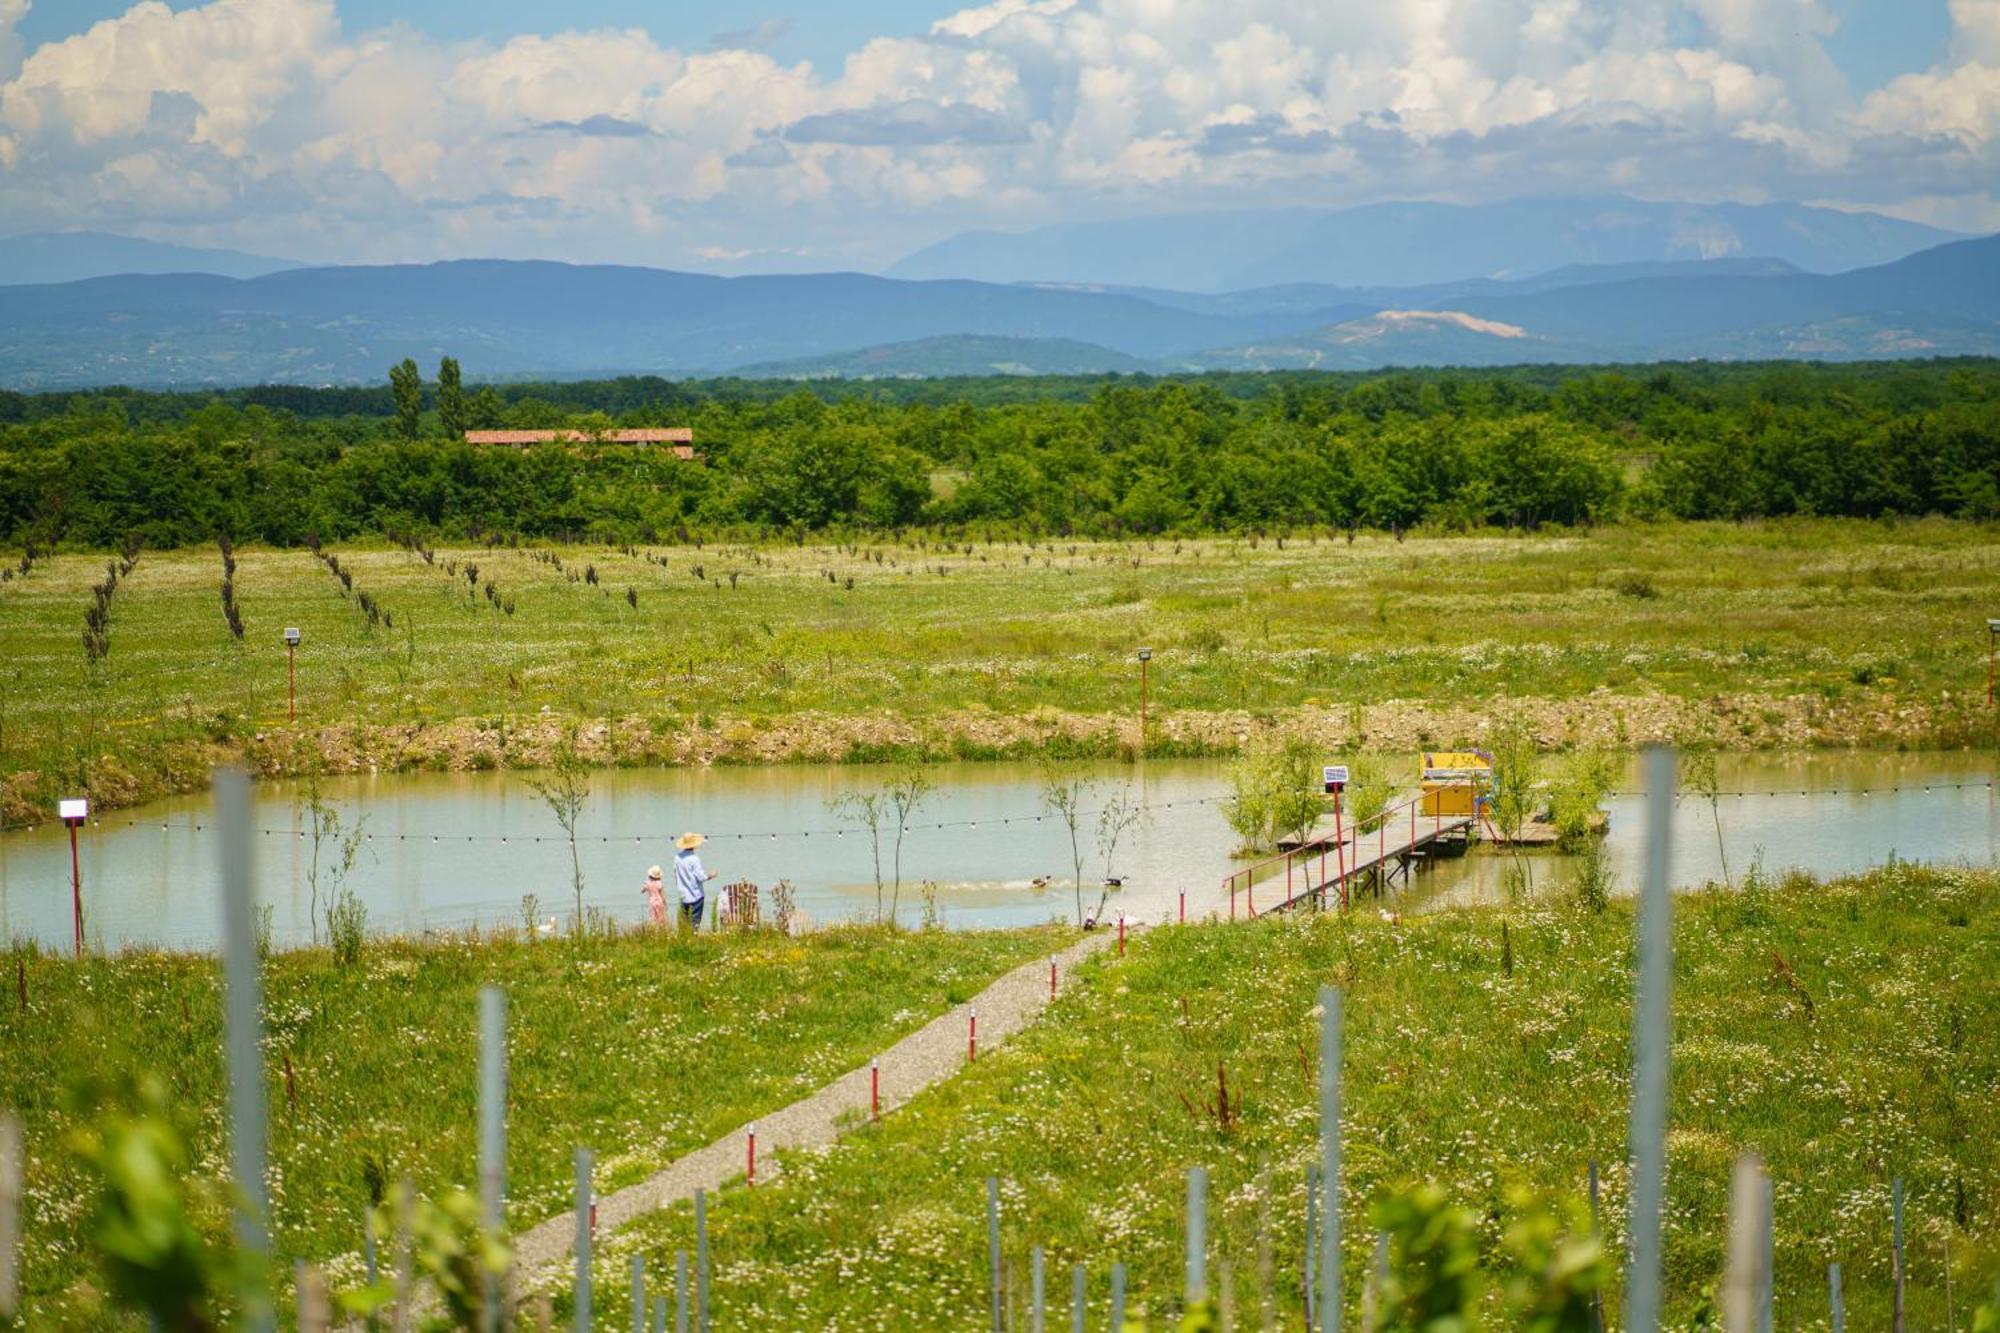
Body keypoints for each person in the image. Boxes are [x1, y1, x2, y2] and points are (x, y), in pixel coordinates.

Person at [674, 833, 716, 928]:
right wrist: (711, 875)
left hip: (683, 895)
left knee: (684, 923)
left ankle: (684, 938)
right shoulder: (694, 858)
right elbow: (701, 877)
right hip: (696, 895)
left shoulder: (677, 857)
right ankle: (693, 938)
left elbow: (675, 874)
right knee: (695, 923)